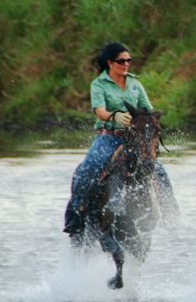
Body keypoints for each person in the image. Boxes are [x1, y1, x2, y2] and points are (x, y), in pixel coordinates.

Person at [63, 41, 176, 236]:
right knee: (90, 166)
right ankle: (76, 213)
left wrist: (148, 118)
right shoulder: (98, 84)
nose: (125, 64)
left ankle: (170, 210)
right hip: (109, 137)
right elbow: (99, 110)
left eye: (128, 60)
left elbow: (146, 109)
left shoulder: (135, 84)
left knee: (159, 169)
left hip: (135, 138)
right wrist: (114, 116)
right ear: (110, 62)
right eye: (121, 61)